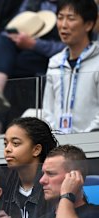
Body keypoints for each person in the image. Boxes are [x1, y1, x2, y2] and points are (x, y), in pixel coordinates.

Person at [0, 0, 63, 114]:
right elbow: (17, 24)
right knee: (1, 41)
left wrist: (34, 45)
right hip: (22, 42)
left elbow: (67, 46)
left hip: (47, 55)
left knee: (18, 63)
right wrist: (17, 36)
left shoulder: (73, 6)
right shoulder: (32, 2)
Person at [42, 0, 99, 134]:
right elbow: (47, 110)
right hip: (59, 147)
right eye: (60, 18)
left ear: (89, 24)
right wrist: (55, 136)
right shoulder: (54, 63)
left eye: (71, 18)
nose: (63, 25)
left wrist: (87, 136)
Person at [2, 117, 59, 218]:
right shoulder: (3, 187)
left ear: (36, 150)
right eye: (5, 144)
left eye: (15, 143)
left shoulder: (55, 187)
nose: (7, 149)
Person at [39, 145, 99, 218]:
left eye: (51, 174)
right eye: (43, 174)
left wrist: (67, 196)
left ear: (74, 176)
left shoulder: (95, 215)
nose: (42, 180)